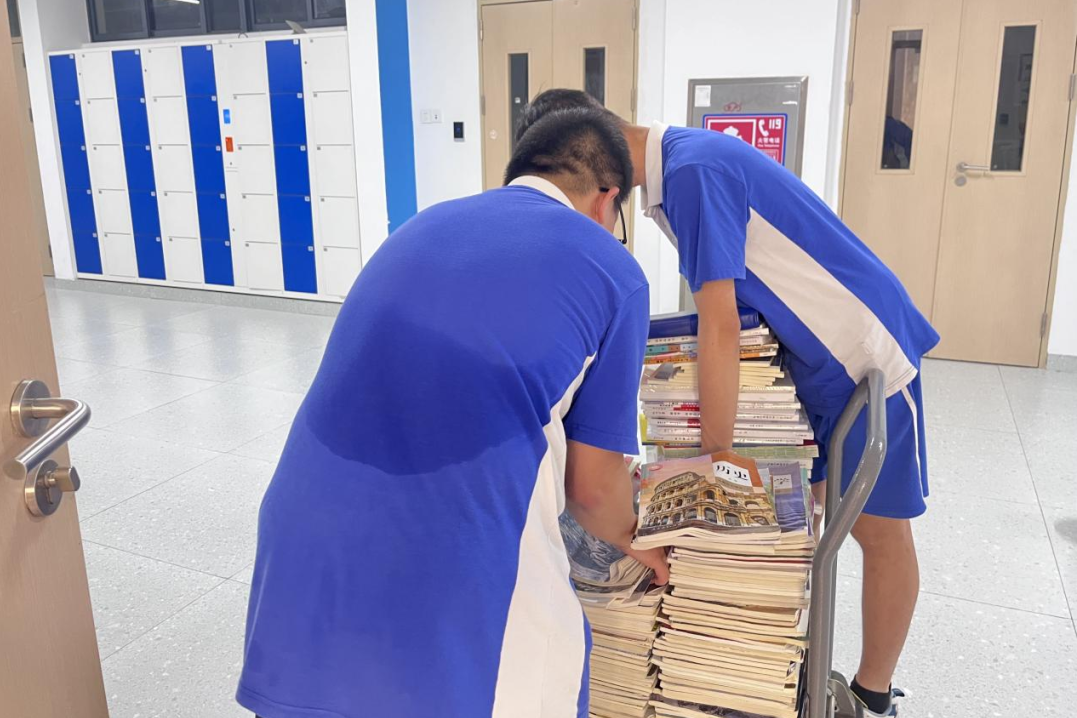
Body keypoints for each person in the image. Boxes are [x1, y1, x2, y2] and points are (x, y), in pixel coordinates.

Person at [517, 89, 939, 718]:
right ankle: (797, 665)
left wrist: (715, 458)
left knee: (877, 532)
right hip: (815, 365)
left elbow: (718, 323)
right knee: (809, 533)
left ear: (591, 146)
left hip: (863, 353)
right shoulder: (674, 176)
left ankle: (873, 696)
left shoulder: (691, 170)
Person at [236, 106, 669, 718]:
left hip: (302, 562)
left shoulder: (422, 225)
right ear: (607, 199)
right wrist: (639, 538)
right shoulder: (614, 271)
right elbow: (594, 491)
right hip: (459, 591)